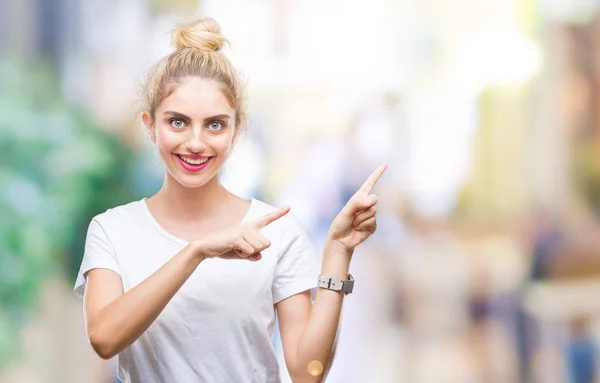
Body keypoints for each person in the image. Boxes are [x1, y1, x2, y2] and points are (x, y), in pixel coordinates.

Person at [73, 17, 386, 383]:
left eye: (215, 124)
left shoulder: (276, 232)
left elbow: (307, 372)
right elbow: (104, 338)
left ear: (236, 129)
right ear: (149, 124)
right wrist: (197, 251)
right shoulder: (113, 230)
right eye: (177, 122)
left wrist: (337, 253)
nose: (195, 142)